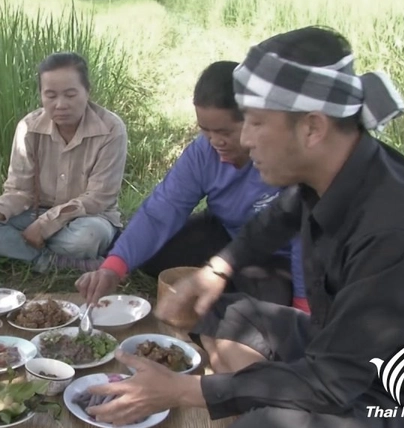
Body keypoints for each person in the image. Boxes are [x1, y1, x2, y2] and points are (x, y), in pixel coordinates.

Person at [81, 26, 404, 428]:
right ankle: (273, 424)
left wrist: (182, 392)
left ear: (312, 127)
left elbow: (334, 379)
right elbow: (272, 224)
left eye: (255, 122)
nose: (246, 138)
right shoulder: (329, 175)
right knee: (226, 309)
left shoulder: (395, 230)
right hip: (346, 357)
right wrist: (215, 271)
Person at [76, 61, 307, 311]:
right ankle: (221, 282)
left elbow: (305, 236)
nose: (215, 142)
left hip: (279, 255)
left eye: (224, 132)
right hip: (226, 234)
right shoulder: (203, 151)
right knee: (143, 252)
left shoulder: (285, 158)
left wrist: (304, 302)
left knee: (269, 306)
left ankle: (230, 296)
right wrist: (113, 268)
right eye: (205, 131)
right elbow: (163, 208)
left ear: (255, 121)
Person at [0, 52, 128, 273]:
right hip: (34, 212)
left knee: (85, 239)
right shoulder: (28, 127)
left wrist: (45, 225)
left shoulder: (111, 129)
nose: (60, 104)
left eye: (71, 94)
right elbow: (19, 191)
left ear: (87, 91)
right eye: (51, 95)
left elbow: (98, 198)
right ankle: (51, 261)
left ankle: (31, 254)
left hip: (89, 218)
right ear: (41, 95)